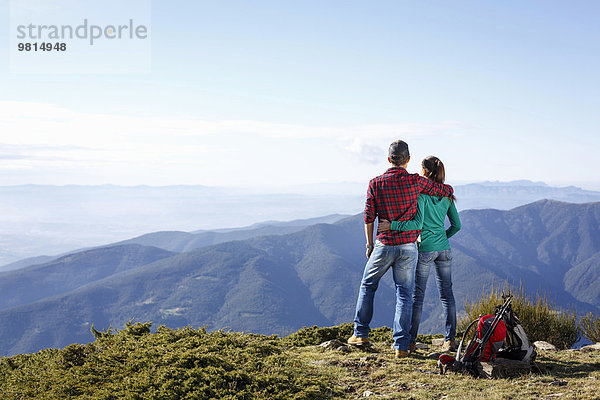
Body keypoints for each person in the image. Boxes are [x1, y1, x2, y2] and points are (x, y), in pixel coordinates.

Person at [347, 141, 454, 358]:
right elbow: (445, 190)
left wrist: (369, 245)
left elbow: (368, 217)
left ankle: (361, 334)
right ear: (408, 159)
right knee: (404, 294)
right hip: (408, 247)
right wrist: (446, 190)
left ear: (388, 159)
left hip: (384, 244)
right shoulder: (416, 181)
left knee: (368, 284)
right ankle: (401, 346)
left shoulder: (375, 183)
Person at [378, 156, 461, 352]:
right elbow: (457, 225)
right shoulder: (448, 196)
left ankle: (411, 341)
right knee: (447, 296)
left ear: (424, 172)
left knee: (418, 296)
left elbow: (417, 224)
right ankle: (450, 340)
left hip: (424, 250)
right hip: (444, 250)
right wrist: (443, 239)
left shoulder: (422, 196)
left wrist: (392, 225)